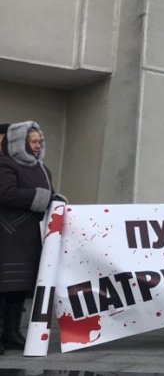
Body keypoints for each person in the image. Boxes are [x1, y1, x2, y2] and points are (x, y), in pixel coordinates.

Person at [0, 121, 55, 353]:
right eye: (32, 141)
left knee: (18, 287)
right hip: (8, 235)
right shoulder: (5, 164)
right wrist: (42, 198)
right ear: (18, 142)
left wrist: (56, 200)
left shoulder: (42, 168)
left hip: (30, 237)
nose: (37, 145)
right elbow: (5, 192)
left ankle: (11, 333)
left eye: (39, 141)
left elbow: (49, 194)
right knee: (4, 285)